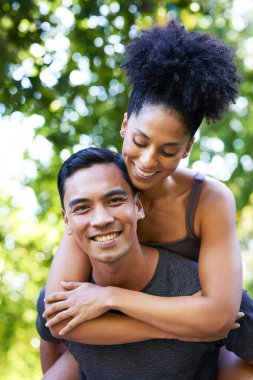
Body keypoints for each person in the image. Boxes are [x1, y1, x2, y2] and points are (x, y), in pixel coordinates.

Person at [42, 20, 246, 377]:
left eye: (168, 150)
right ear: (124, 126)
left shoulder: (209, 200)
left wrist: (111, 298)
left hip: (190, 337)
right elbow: (61, 319)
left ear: (187, 149)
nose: (148, 161)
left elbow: (219, 316)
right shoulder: (102, 193)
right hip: (117, 335)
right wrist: (167, 329)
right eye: (139, 141)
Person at [37, 147, 253, 379]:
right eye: (82, 208)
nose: (101, 220)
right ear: (66, 221)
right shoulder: (65, 299)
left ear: (138, 207)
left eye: (114, 200)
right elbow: (52, 344)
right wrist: (179, 329)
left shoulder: (204, 295)